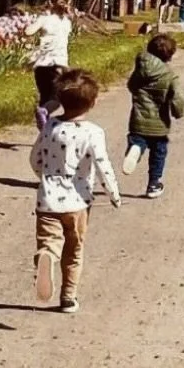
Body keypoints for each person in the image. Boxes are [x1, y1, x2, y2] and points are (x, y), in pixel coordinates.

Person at [30, 69, 121, 312]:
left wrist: (43, 176)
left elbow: (35, 157)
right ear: (93, 102)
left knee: (49, 242)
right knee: (74, 250)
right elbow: (103, 165)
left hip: (47, 201)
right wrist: (114, 194)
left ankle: (47, 257)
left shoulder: (50, 126)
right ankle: (68, 297)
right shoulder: (93, 132)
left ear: (59, 99)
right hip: (79, 203)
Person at [122, 32, 184, 199]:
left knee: (138, 140)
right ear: (170, 55)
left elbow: (131, 85)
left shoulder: (141, 68)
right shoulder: (170, 76)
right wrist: (178, 112)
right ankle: (153, 184)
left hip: (138, 119)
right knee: (158, 153)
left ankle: (136, 149)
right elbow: (177, 98)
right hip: (159, 124)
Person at [24, 0, 74, 129]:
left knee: (45, 97)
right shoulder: (66, 23)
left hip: (41, 64)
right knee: (56, 99)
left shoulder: (44, 19)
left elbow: (28, 31)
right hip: (57, 64)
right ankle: (43, 113)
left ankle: (43, 130)